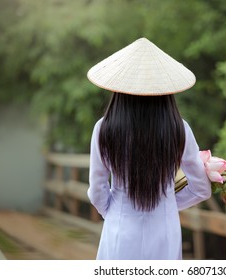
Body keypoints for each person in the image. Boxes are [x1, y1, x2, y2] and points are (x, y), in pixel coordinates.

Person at [87, 38, 211, 260]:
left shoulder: (103, 128)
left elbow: (97, 189)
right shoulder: (179, 129)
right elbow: (201, 188)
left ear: (119, 88)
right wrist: (167, 204)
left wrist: (114, 212)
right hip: (165, 232)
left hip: (119, 229)